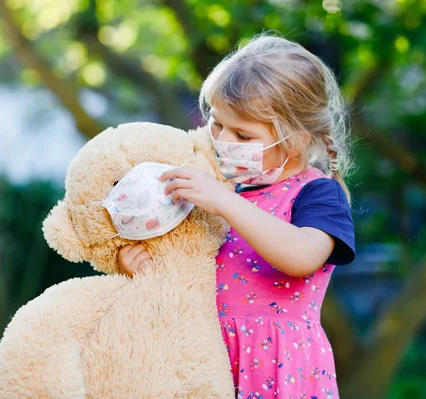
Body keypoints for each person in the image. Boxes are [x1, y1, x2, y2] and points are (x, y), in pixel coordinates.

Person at [118, 33, 355, 399]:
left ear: (294, 139)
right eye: (217, 124)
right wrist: (147, 272)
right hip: (207, 359)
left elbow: (302, 256)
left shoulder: (317, 193)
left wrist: (226, 204)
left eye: (243, 135)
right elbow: (192, 276)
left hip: (279, 368)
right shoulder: (220, 191)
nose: (223, 140)